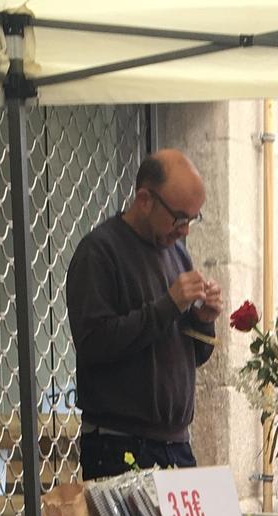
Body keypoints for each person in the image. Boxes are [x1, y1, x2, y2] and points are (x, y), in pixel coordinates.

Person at [66, 150, 219, 480]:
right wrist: (168, 305)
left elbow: (193, 355)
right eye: (179, 218)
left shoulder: (177, 253)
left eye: (193, 219)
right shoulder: (100, 252)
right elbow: (95, 344)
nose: (185, 231)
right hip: (119, 446)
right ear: (145, 199)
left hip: (176, 444)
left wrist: (202, 320)